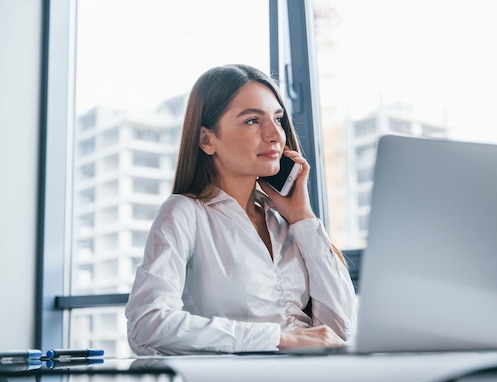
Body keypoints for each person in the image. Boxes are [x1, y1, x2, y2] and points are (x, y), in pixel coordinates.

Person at [125, 64, 357, 355]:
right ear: (207, 140)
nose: (275, 134)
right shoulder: (185, 213)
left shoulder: (284, 222)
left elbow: (338, 330)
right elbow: (147, 325)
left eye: (278, 119)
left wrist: (303, 219)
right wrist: (279, 338)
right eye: (252, 121)